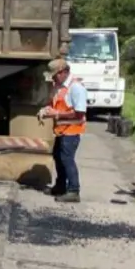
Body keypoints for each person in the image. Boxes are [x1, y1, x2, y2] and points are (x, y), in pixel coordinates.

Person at [39, 58, 87, 203]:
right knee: (58, 157)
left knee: (67, 159)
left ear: (64, 72)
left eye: (55, 74)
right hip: (61, 130)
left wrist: (56, 114)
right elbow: (56, 104)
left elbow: (79, 113)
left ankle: (74, 191)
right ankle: (60, 186)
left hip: (72, 130)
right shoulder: (59, 86)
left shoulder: (76, 88)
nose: (53, 77)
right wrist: (46, 109)